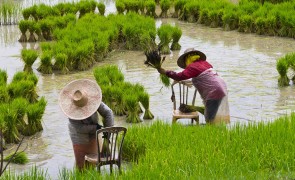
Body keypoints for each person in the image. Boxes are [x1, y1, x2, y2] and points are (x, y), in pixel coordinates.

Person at [157, 48, 230, 124]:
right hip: (221, 87)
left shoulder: (192, 66)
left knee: (210, 118)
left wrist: (165, 72)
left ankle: (211, 131)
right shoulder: (205, 63)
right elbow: (204, 77)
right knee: (212, 113)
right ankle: (214, 130)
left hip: (213, 90)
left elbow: (179, 76)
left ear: (187, 58)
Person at [58, 79, 114, 170]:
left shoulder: (92, 100)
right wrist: (96, 127)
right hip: (78, 135)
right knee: (81, 165)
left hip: (95, 131)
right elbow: (79, 128)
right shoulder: (71, 110)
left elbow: (108, 113)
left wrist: (107, 134)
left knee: (94, 161)